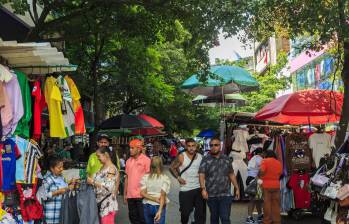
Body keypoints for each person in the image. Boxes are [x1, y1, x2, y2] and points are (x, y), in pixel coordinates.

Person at [199, 137, 240, 224]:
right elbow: (201, 174)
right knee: (214, 218)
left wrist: (237, 188)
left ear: (220, 146)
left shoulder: (226, 159)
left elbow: (231, 174)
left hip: (225, 194)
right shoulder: (205, 159)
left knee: (225, 218)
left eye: (216, 145)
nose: (213, 147)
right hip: (211, 195)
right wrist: (203, 189)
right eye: (211, 145)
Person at [170, 138, 206, 224]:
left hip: (198, 188)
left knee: (200, 214)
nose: (191, 148)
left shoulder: (201, 157)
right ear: (186, 146)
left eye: (193, 146)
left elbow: (204, 171)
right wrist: (178, 178)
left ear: (196, 146)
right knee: (185, 214)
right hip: (185, 189)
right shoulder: (182, 156)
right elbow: (172, 168)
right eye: (189, 146)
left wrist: (204, 187)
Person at [87, 146, 119, 224]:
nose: (98, 158)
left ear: (106, 155)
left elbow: (109, 187)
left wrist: (93, 182)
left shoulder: (111, 169)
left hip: (107, 206)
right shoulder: (102, 167)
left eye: (99, 156)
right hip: (99, 204)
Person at [124, 139, 151, 224]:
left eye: (132, 148)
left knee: (143, 219)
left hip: (142, 195)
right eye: (130, 148)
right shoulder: (128, 161)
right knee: (133, 218)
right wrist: (125, 194)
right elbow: (127, 178)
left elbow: (149, 178)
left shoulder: (146, 160)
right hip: (130, 196)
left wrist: (147, 194)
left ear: (139, 149)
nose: (130, 150)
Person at [42, 156, 75, 224]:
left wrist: (69, 185)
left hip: (61, 213)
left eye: (62, 167)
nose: (61, 169)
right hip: (51, 215)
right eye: (59, 167)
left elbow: (63, 189)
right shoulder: (48, 179)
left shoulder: (61, 177)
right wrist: (57, 192)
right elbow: (42, 196)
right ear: (52, 168)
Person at [141, 156, 170, 224]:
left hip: (147, 204)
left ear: (151, 165)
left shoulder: (145, 177)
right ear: (161, 165)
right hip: (159, 205)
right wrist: (159, 211)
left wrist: (153, 198)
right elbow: (162, 196)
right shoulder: (165, 178)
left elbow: (142, 193)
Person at [259, 150, 282, 224]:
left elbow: (262, 170)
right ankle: (277, 220)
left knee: (267, 203)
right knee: (276, 204)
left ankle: (267, 220)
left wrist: (260, 175)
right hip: (276, 185)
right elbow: (280, 173)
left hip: (266, 185)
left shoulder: (264, 161)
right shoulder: (278, 162)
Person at [246, 148, 264, 224]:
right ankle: (249, 217)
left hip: (249, 179)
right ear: (261, 153)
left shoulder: (253, 158)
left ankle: (259, 215)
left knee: (257, 199)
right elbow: (261, 170)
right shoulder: (260, 159)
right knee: (253, 200)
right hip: (254, 179)